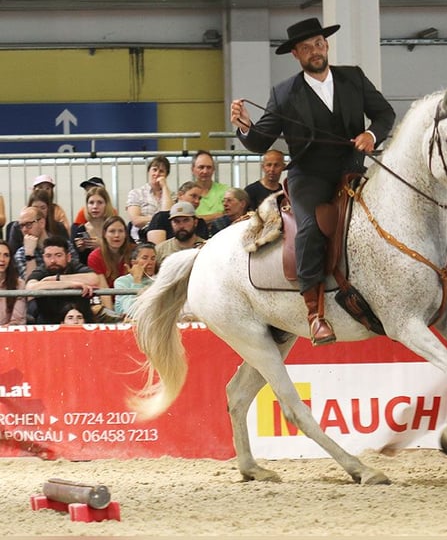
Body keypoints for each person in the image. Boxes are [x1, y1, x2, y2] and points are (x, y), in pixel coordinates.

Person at [230, 17, 396, 345]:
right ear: (296, 55)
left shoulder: (354, 77)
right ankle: (314, 313)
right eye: (306, 48)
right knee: (309, 227)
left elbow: (385, 114)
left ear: (327, 45)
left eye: (318, 44)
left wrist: (371, 133)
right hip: (310, 175)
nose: (315, 51)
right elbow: (261, 141)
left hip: (354, 170)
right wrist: (246, 127)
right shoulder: (284, 93)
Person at [24, 234, 101, 324]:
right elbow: (30, 288)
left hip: (80, 322)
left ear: (68, 257)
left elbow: (94, 279)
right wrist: (72, 284)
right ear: (43, 258)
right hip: (49, 323)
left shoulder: (75, 266)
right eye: (48, 256)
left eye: (58, 255)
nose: (53, 260)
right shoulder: (42, 270)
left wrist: (56, 279)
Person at [13, 206, 77, 279]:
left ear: (42, 223)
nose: (24, 230)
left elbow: (76, 273)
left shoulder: (65, 245)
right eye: (21, 225)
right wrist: (29, 254)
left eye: (28, 224)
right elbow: (30, 284)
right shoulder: (21, 253)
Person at [125, 155, 173, 243]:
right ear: (149, 171)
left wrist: (164, 186)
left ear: (166, 175)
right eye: (154, 170)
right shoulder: (136, 193)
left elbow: (167, 214)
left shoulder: (171, 196)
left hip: (167, 237)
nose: (157, 174)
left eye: (161, 171)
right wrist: (156, 219)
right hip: (142, 238)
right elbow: (136, 220)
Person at [8, 189, 69, 256]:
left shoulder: (58, 227)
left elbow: (68, 252)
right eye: (35, 207)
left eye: (43, 208)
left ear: (48, 209)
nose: (39, 211)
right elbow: (12, 255)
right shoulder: (18, 227)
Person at [146, 181, 209, 245]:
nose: (197, 201)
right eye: (193, 196)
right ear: (180, 195)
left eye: (199, 198)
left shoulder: (200, 223)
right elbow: (156, 250)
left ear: (195, 222)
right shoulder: (161, 218)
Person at [71, 185, 118, 265]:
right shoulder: (80, 230)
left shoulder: (115, 228)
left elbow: (123, 253)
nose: (95, 207)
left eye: (100, 202)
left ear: (106, 205)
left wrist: (103, 246)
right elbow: (75, 261)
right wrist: (79, 250)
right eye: (91, 203)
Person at [155, 202, 206, 268]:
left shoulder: (206, 248)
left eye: (186, 220)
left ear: (195, 222)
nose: (181, 226)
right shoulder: (161, 250)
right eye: (176, 221)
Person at [87, 215, 132, 288]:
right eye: (112, 231)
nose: (117, 235)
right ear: (104, 234)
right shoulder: (95, 257)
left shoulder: (134, 252)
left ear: (126, 234)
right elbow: (104, 291)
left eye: (120, 231)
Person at [114, 242, 157, 316]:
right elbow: (131, 312)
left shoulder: (158, 281)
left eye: (153, 258)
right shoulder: (121, 282)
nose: (150, 262)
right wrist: (137, 281)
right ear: (134, 263)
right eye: (145, 258)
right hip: (128, 324)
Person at [191, 150, 229, 227]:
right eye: (201, 167)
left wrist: (199, 219)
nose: (205, 171)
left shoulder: (226, 190)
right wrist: (219, 215)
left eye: (209, 167)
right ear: (193, 169)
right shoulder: (187, 193)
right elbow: (187, 220)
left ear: (213, 170)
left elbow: (229, 215)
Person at [0, 239, 26, 326]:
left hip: (8, 335)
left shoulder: (19, 284)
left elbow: (17, 321)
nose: (2, 259)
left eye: (6, 255)